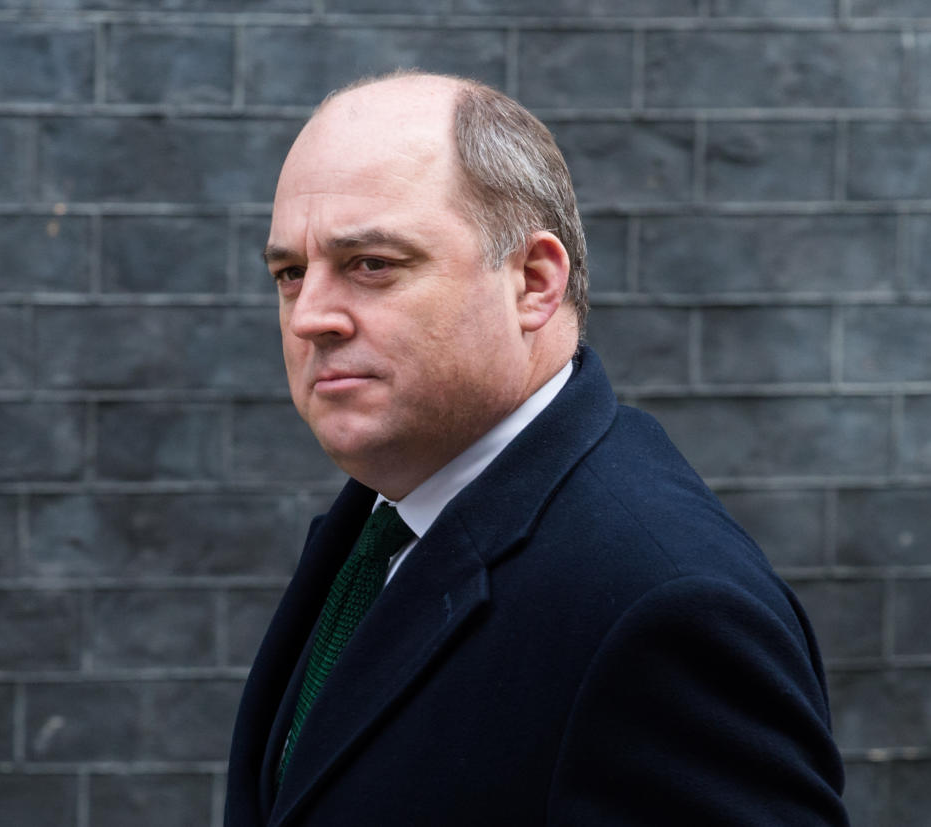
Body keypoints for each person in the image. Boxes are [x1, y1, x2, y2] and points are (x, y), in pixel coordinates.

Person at [226, 70, 848, 826]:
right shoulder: (384, 522)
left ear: (533, 281)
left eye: (372, 264)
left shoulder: (666, 604)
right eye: (290, 273)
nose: (310, 317)